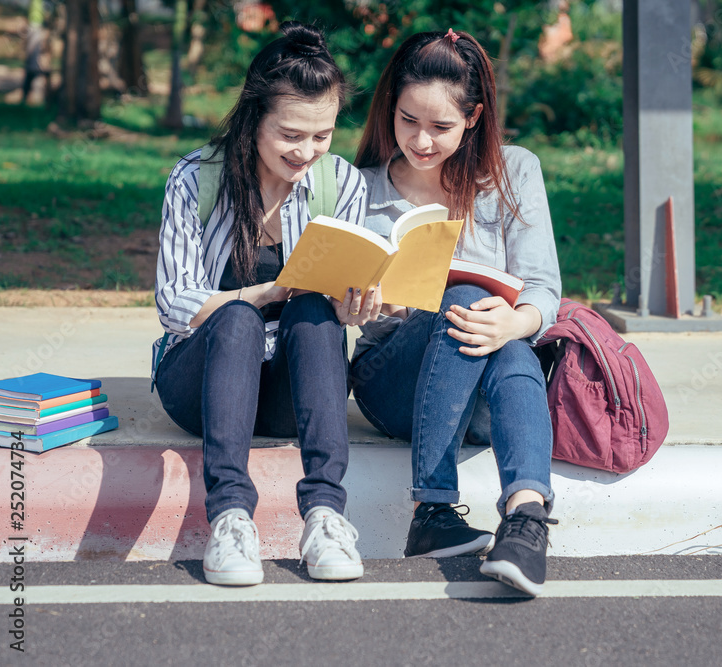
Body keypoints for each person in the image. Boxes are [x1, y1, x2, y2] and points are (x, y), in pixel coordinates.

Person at [152, 22, 381, 586]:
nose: (307, 151)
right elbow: (173, 301)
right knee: (235, 317)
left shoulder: (341, 185)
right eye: (291, 135)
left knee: (316, 314)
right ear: (255, 117)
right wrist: (266, 293)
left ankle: (326, 517)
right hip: (198, 385)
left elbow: (334, 303)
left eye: (322, 135)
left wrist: (354, 306)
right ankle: (230, 518)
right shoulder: (194, 179)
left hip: (285, 391)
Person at [351, 29, 562, 597]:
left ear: (473, 117)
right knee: (465, 301)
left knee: (508, 336)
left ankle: (523, 519)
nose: (420, 140)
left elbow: (543, 289)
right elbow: (338, 303)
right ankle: (438, 507)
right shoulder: (360, 187)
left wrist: (516, 321)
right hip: (394, 386)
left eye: (440, 126)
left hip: (486, 389)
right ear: (389, 109)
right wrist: (368, 302)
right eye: (407, 120)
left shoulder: (514, 171)